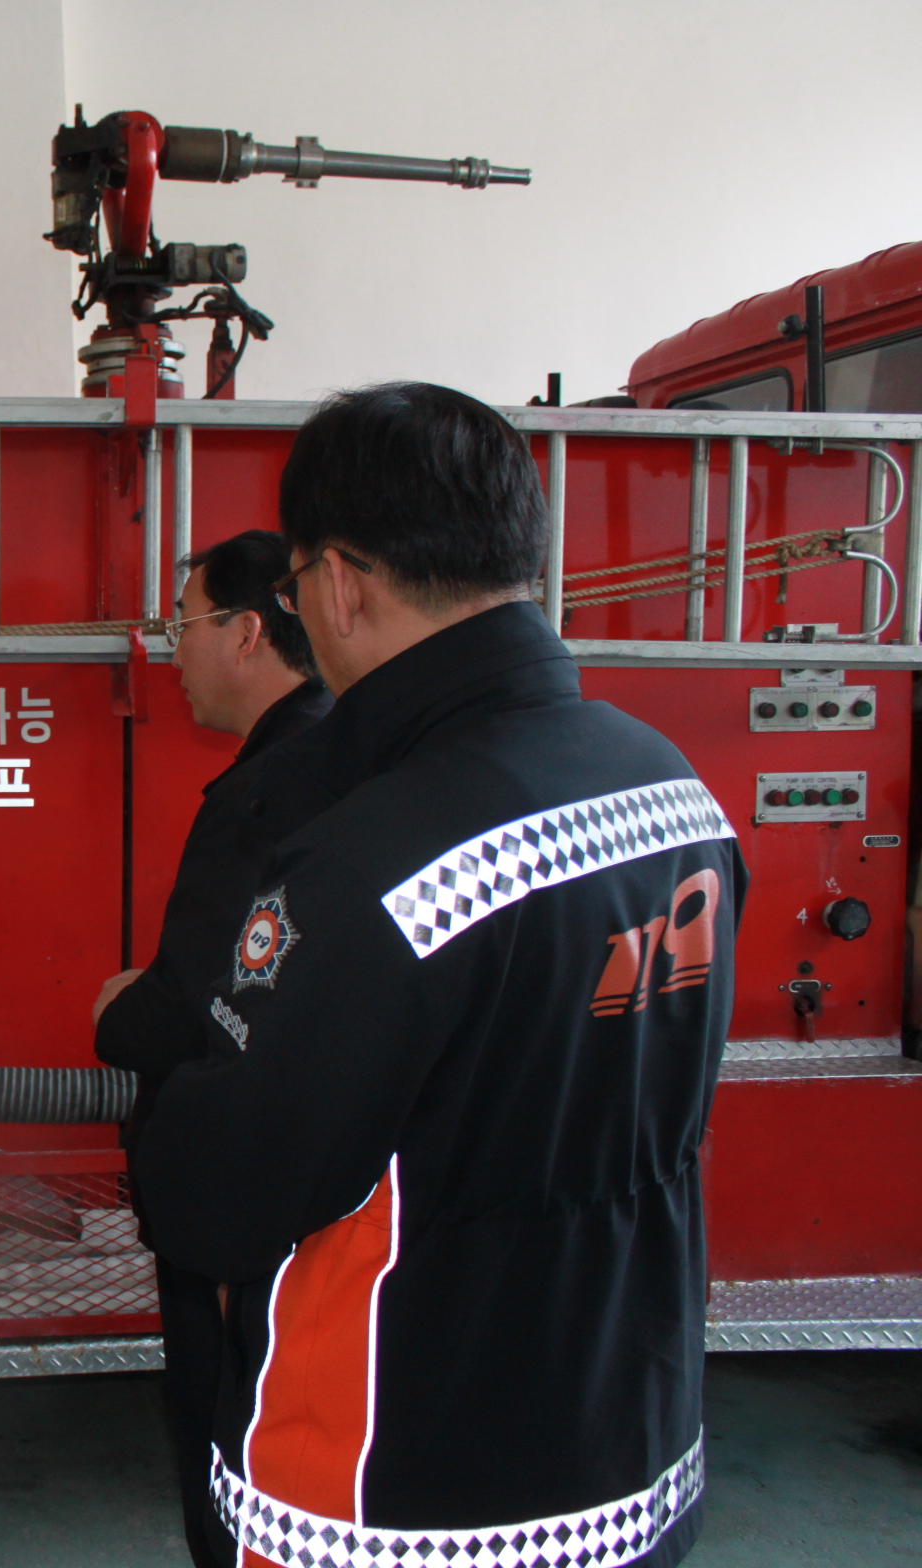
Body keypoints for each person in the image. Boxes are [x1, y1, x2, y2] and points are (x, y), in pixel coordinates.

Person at [136, 384, 742, 1568]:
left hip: (394, 1500)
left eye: (297, 586)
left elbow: (219, 1194)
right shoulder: (673, 789)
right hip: (633, 1467)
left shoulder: (374, 860)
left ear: (340, 582)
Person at [93, 529, 330, 1568]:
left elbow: (192, 1006)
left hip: (236, 1211)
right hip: (301, 1195)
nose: (170, 649)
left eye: (181, 623)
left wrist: (119, 1012)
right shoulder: (344, 753)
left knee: (228, 1446)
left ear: (246, 631)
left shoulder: (270, 790)